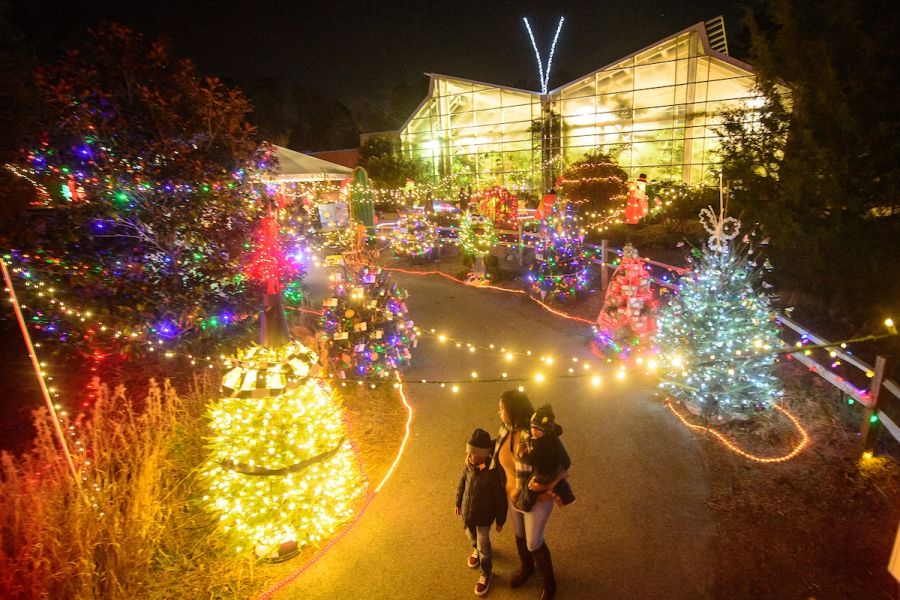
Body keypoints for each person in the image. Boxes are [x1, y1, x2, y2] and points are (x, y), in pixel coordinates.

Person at [491, 390, 565, 600]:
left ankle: (550, 583)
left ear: (513, 411)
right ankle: (527, 568)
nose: (499, 413)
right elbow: (498, 451)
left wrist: (546, 486)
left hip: (535, 499)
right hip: (512, 496)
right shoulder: (506, 429)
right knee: (520, 535)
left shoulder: (537, 433)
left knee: (534, 542)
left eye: (502, 409)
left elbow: (564, 464)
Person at [456, 428, 507, 597]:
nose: (470, 457)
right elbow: (462, 484)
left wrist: (501, 519)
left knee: (483, 541)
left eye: (473, 454)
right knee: (469, 534)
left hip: (484, 516)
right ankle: (475, 549)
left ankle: (486, 573)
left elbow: (500, 498)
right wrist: (458, 502)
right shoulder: (468, 467)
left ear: (484, 455)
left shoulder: (492, 474)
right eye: (469, 454)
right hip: (468, 512)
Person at [517, 404, 575, 510]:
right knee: (560, 484)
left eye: (536, 429)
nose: (533, 431)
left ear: (545, 430)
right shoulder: (551, 436)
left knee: (529, 487)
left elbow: (532, 460)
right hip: (553, 469)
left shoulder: (539, 444)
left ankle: (524, 505)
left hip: (544, 473)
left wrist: (522, 455)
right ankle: (568, 497)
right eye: (532, 428)